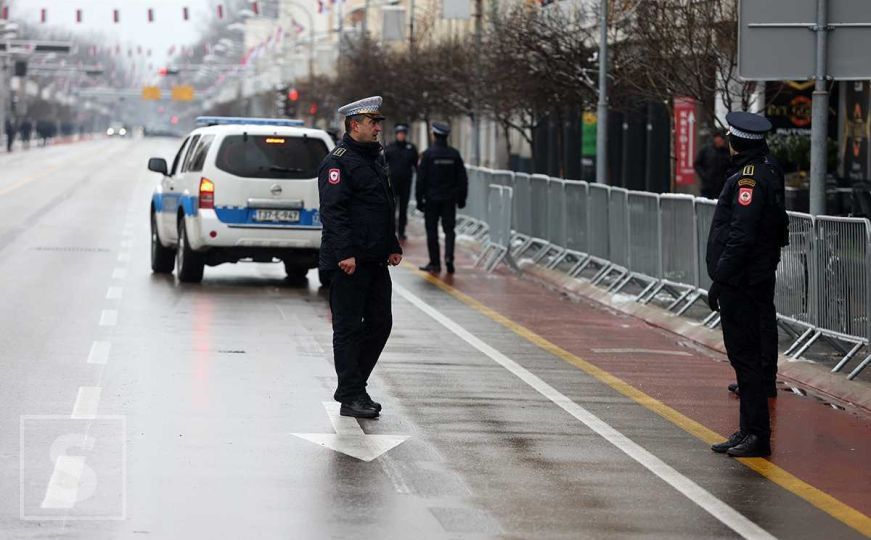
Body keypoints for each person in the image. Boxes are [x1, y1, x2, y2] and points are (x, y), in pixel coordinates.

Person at [706, 111, 788, 458]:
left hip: (743, 280)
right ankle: (748, 430)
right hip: (754, 275)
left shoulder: (748, 180)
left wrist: (721, 278)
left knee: (745, 359)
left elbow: (741, 235)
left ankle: (756, 435)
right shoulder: (768, 167)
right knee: (747, 360)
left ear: (737, 142)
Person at [317, 96, 402, 419]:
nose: (378, 128)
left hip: (375, 258)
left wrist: (392, 243)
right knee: (349, 328)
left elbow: (382, 206)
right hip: (349, 262)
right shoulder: (337, 162)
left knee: (381, 324)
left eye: (379, 123)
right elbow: (334, 213)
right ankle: (352, 393)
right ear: (355, 125)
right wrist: (345, 254)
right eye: (373, 123)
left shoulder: (374, 159)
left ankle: (354, 386)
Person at [416, 122, 468, 274]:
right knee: (449, 230)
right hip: (449, 199)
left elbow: (421, 179)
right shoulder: (454, 154)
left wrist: (419, 200)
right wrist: (462, 198)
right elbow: (462, 178)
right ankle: (449, 257)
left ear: (434, 135)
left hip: (431, 199)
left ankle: (435, 262)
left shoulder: (428, 154)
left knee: (432, 231)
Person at [385, 123, 418, 240]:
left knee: (403, 209)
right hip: (393, 183)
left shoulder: (411, 148)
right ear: (396, 135)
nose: (401, 136)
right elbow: (383, 163)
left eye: (403, 134)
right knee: (392, 208)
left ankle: (402, 231)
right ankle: (391, 232)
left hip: (405, 183)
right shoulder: (390, 147)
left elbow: (416, 165)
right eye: (399, 134)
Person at [694, 132, 731, 199]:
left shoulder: (726, 152)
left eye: (722, 140)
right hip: (708, 185)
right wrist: (704, 176)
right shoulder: (706, 150)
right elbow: (697, 164)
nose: (720, 142)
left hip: (721, 186)